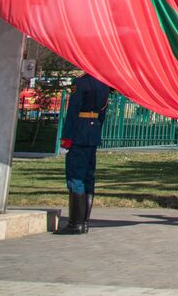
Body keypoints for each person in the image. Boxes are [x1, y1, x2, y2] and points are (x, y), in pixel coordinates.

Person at [56, 71, 112, 235]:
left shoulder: (80, 82)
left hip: (79, 132)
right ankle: (85, 222)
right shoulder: (104, 84)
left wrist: (66, 138)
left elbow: (73, 111)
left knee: (75, 175)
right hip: (93, 132)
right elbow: (102, 113)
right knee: (88, 176)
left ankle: (76, 224)